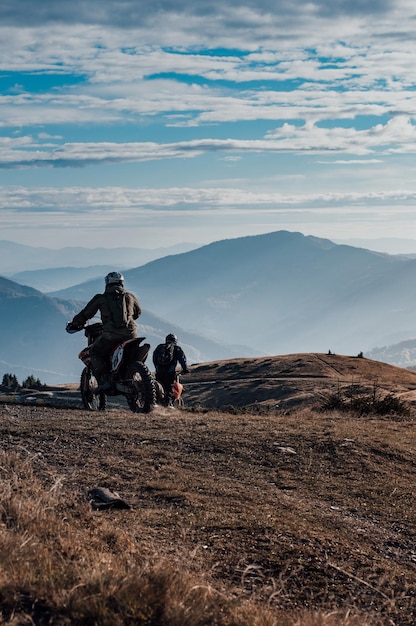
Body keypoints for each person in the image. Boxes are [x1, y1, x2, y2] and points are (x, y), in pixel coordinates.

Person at [67, 272, 141, 392]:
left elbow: (86, 314)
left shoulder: (101, 298)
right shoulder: (130, 296)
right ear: (122, 283)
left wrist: (74, 324)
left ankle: (104, 381)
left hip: (111, 335)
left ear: (107, 283)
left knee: (94, 352)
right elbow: (138, 313)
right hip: (131, 335)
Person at [152, 333, 189, 406]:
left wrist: (157, 368)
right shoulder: (177, 348)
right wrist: (185, 369)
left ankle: (155, 403)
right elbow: (182, 360)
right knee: (169, 388)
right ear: (175, 341)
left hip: (159, 372)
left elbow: (154, 359)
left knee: (158, 387)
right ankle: (168, 405)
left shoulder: (159, 347)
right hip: (170, 372)